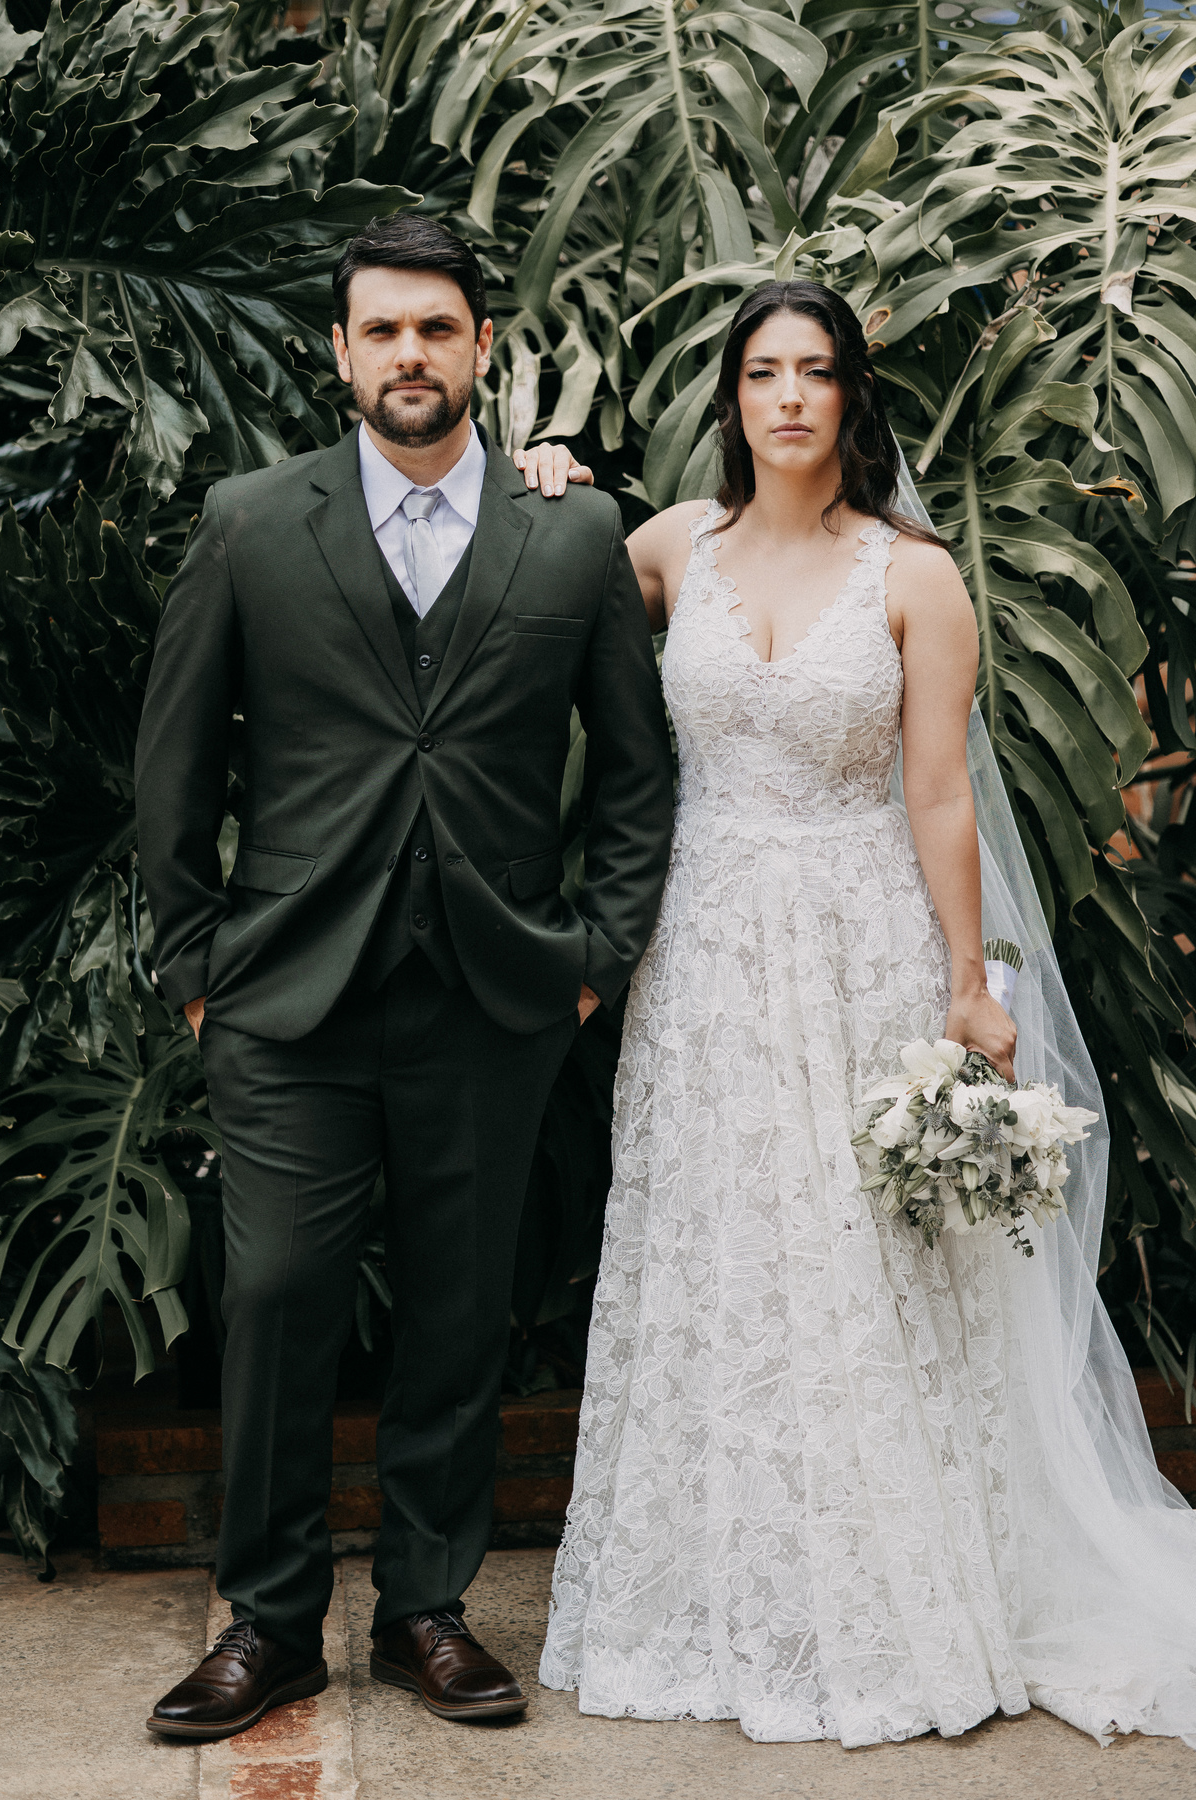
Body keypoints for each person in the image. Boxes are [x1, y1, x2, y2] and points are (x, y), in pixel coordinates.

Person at [523, 280, 1196, 1749]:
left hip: (859, 941)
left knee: (863, 1263)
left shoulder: (915, 575)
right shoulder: (668, 548)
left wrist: (968, 983)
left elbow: (939, 791)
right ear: (730, 398)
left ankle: (899, 1592)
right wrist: (550, 478)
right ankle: (721, 1588)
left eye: (815, 371)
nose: (788, 397)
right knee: (716, 1248)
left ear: (850, 397)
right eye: (763, 371)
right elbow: (534, 590)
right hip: (703, 951)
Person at [134, 213, 674, 1740]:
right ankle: (270, 1623)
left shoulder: (570, 534)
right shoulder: (251, 523)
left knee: (457, 1311)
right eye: (383, 329)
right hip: (286, 1001)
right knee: (277, 1297)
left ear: (483, 345)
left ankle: (427, 1610)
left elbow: (637, 775)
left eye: (438, 327)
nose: (411, 354)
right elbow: (174, 764)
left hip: (494, 998)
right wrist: (197, 970)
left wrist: (591, 961)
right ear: (340, 352)